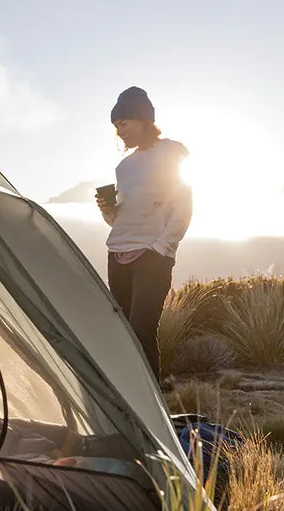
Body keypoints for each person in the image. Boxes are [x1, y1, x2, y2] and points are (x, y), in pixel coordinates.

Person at [96, 86, 192, 386]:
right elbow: (118, 220)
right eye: (115, 126)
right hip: (118, 253)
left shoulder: (171, 151)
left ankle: (153, 410)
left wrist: (162, 248)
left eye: (123, 123)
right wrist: (107, 209)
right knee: (124, 334)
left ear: (142, 119)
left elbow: (183, 206)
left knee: (142, 330)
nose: (119, 131)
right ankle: (131, 403)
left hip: (152, 256)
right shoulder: (123, 166)